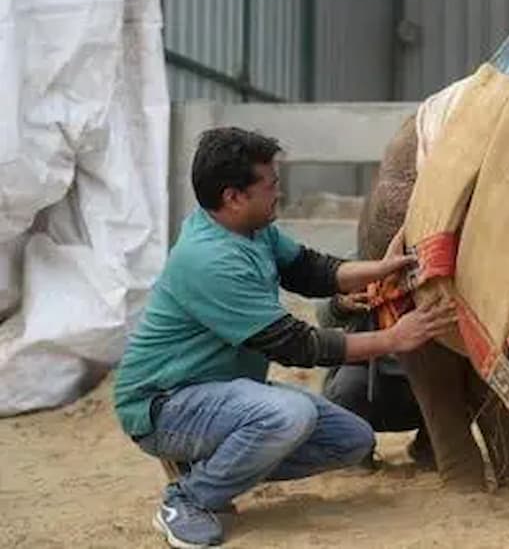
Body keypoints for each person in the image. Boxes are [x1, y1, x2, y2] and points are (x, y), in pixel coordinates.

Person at [112, 127, 457, 548]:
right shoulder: (211, 260)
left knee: (352, 440)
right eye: (270, 185)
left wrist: (382, 268)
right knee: (286, 416)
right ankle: (188, 499)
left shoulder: (253, 231)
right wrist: (395, 339)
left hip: (224, 391)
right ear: (233, 197)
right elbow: (296, 345)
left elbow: (312, 271)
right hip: (165, 403)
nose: (279, 192)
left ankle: (200, 464)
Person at [315, 293, 434, 470]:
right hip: (370, 380)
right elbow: (324, 317)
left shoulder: (433, 272)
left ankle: (429, 449)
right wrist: (341, 304)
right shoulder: (360, 271)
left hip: (428, 385)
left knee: (466, 382)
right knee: (348, 385)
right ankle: (357, 456)